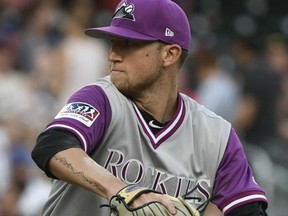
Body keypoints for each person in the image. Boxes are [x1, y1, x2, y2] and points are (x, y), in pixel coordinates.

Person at [31, 0, 269, 215]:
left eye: (128, 44)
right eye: (114, 43)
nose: (113, 55)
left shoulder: (217, 136)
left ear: (169, 54)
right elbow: (52, 147)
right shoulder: (101, 99)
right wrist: (124, 190)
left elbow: (247, 210)